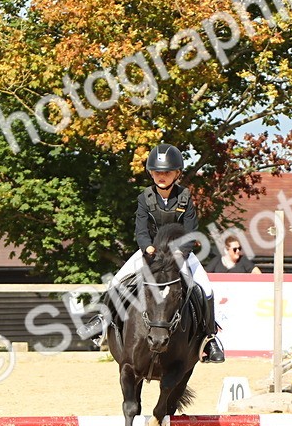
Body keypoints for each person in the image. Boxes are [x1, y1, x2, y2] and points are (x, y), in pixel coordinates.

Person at [78, 143, 223, 363]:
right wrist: (147, 247)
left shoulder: (185, 197)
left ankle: (210, 339)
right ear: (151, 173)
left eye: (167, 172)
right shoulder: (144, 198)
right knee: (116, 282)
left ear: (177, 173)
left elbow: (191, 232)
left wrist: (180, 253)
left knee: (206, 288)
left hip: (179, 254)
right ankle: (101, 322)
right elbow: (141, 230)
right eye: (157, 172)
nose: (161, 176)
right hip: (151, 252)